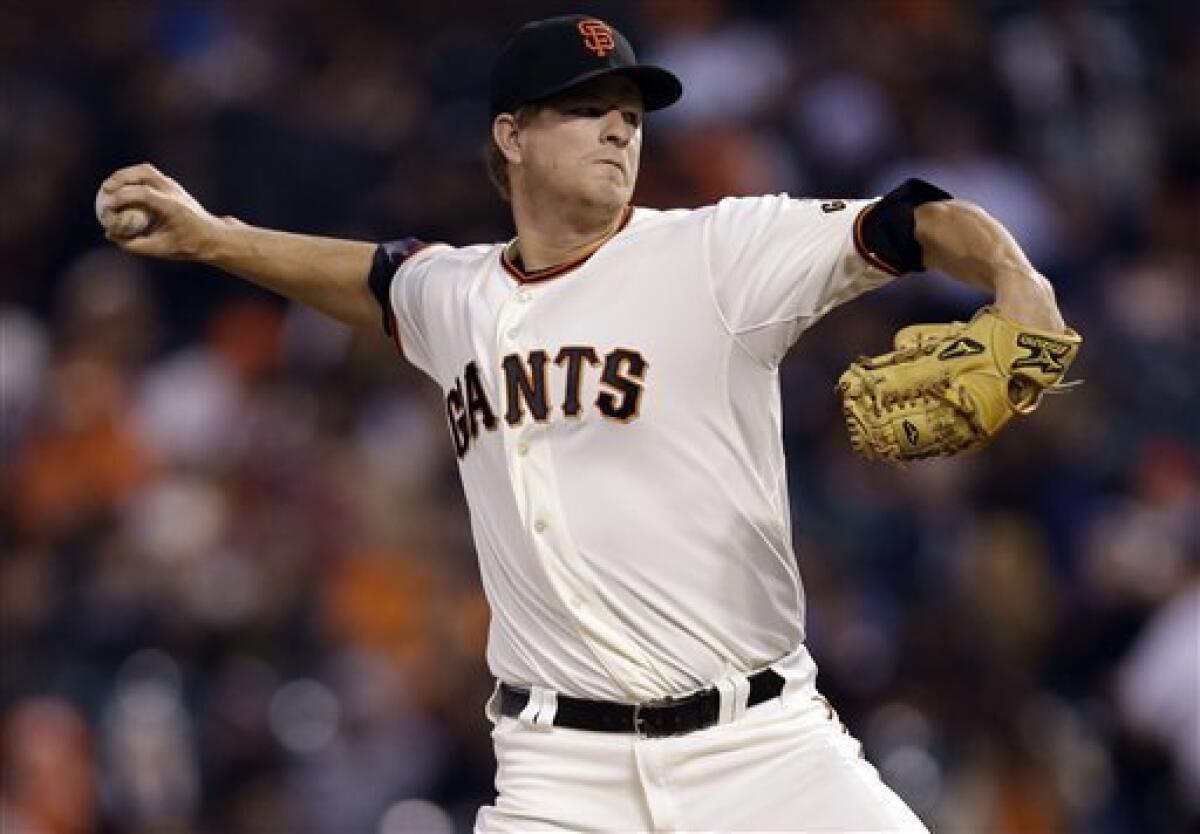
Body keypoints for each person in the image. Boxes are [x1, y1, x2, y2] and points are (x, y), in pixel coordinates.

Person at [99, 14, 1069, 833]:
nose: (618, 130)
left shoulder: (716, 252)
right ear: (512, 136)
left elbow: (913, 219)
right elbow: (374, 278)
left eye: (630, 114)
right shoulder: (457, 293)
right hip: (558, 775)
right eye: (587, 109)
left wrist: (1018, 283)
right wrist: (215, 238)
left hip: (763, 750)